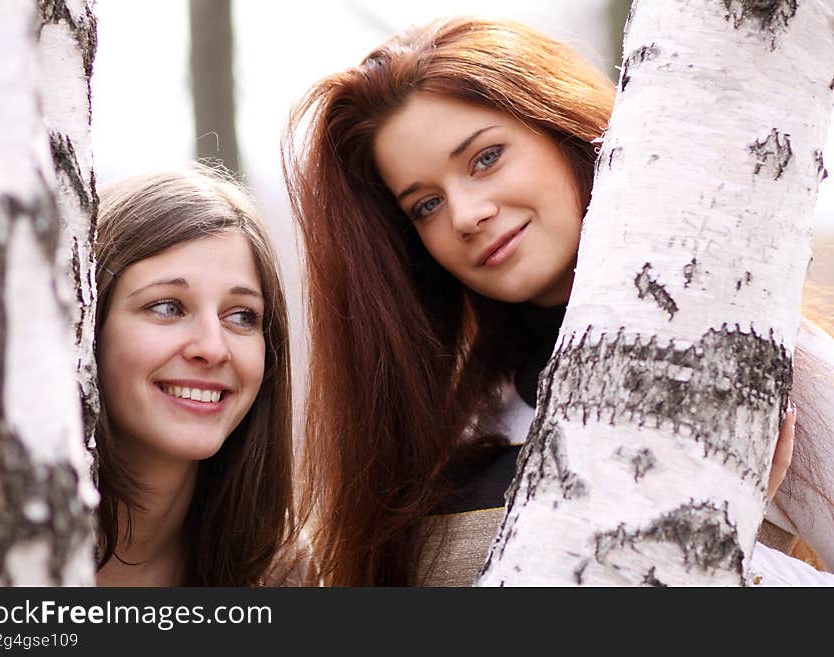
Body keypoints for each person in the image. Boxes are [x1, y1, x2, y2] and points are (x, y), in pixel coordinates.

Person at [282, 17, 833, 586]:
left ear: (562, 127)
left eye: (486, 158)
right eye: (426, 205)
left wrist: (710, 554)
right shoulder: (451, 423)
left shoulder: (757, 352)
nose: (466, 215)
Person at [93, 164, 305, 586]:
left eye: (242, 316)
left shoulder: (281, 575)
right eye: (167, 307)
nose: (212, 347)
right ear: (88, 322)